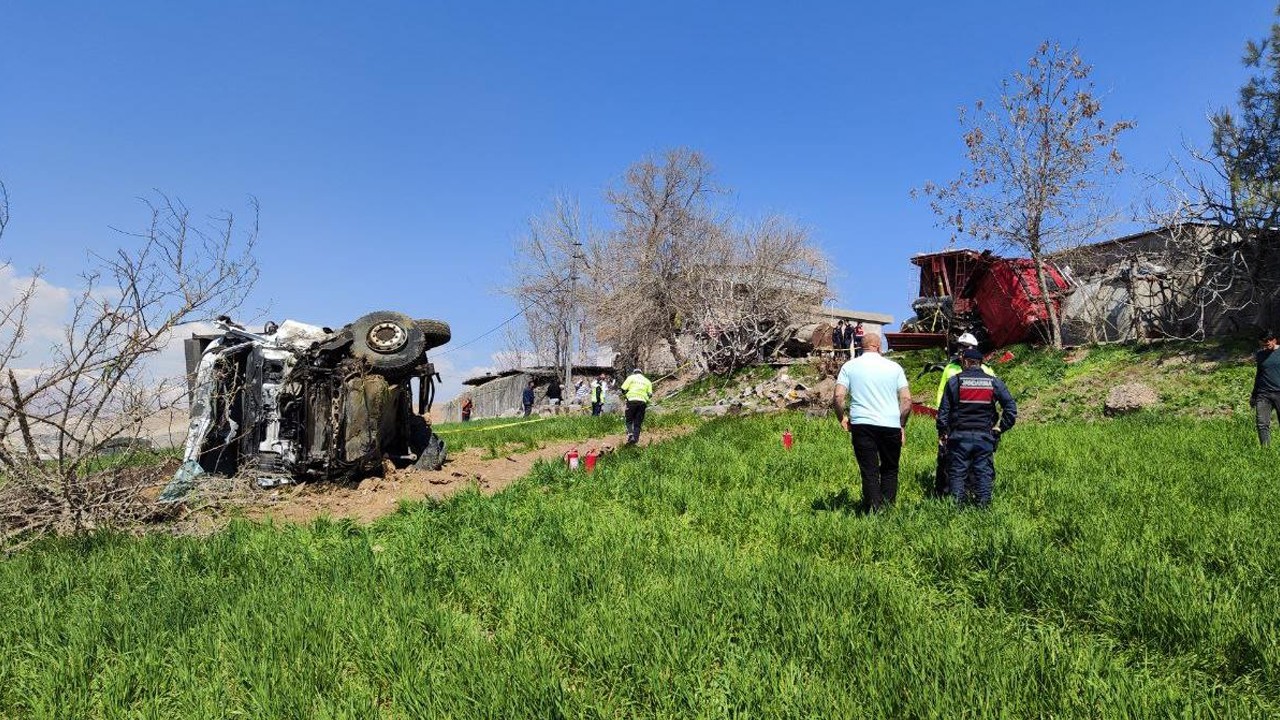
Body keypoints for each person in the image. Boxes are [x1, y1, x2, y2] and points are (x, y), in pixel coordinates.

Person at [833, 332, 911, 513]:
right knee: (890, 468)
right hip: (890, 424)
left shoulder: (850, 366)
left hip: (862, 424)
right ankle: (888, 508)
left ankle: (873, 509)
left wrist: (842, 417)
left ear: (861, 347)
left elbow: (838, 396)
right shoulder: (895, 367)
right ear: (879, 347)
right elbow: (907, 401)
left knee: (869, 469)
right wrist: (901, 425)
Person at [937, 348, 1017, 508]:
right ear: (981, 363)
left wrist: (942, 432)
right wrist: (1001, 428)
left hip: (959, 436)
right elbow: (1011, 407)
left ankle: (956, 509)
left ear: (965, 362)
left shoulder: (954, 381)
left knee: (957, 473)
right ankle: (983, 508)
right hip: (984, 436)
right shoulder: (994, 382)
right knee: (983, 472)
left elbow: (943, 412)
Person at [931, 332, 993, 498]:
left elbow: (993, 397)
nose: (961, 350)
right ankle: (945, 492)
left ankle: (972, 491)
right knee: (947, 457)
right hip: (953, 420)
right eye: (959, 346)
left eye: (965, 347)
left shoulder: (986, 370)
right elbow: (941, 394)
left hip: (978, 422)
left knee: (977, 460)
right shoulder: (950, 368)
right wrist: (941, 419)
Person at [1251, 329, 1280, 446]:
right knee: (1262, 423)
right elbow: (1259, 375)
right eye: (1262, 345)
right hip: (1263, 394)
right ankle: (1266, 451)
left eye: (1267, 344)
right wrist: (1254, 395)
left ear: (1274, 340)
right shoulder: (1260, 355)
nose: (1265, 347)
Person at [620, 368, 654, 445]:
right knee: (638, 422)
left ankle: (631, 435)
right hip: (642, 402)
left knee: (629, 420)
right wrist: (646, 399)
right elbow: (650, 394)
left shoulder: (631, 377)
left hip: (631, 400)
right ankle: (635, 440)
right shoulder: (647, 381)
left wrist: (626, 395)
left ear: (634, 372)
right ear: (641, 373)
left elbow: (623, 388)